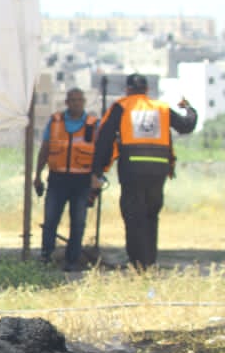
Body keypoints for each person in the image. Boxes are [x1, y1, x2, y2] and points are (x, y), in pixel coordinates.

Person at [90, 73, 197, 270]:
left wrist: (97, 171)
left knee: (133, 215)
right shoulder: (161, 108)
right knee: (150, 215)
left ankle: (137, 264)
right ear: (147, 90)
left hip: (132, 169)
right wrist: (189, 108)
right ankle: (149, 261)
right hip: (158, 169)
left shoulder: (121, 106)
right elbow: (186, 125)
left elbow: (104, 139)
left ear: (128, 90)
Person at [33, 88, 98, 271]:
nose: (76, 103)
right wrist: (37, 175)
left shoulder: (93, 125)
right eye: (72, 100)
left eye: (79, 100)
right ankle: (46, 257)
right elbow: (45, 149)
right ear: (67, 102)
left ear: (84, 102)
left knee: (78, 222)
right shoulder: (55, 122)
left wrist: (97, 177)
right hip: (58, 179)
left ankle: (72, 260)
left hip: (82, 181)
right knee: (51, 219)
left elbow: (101, 153)